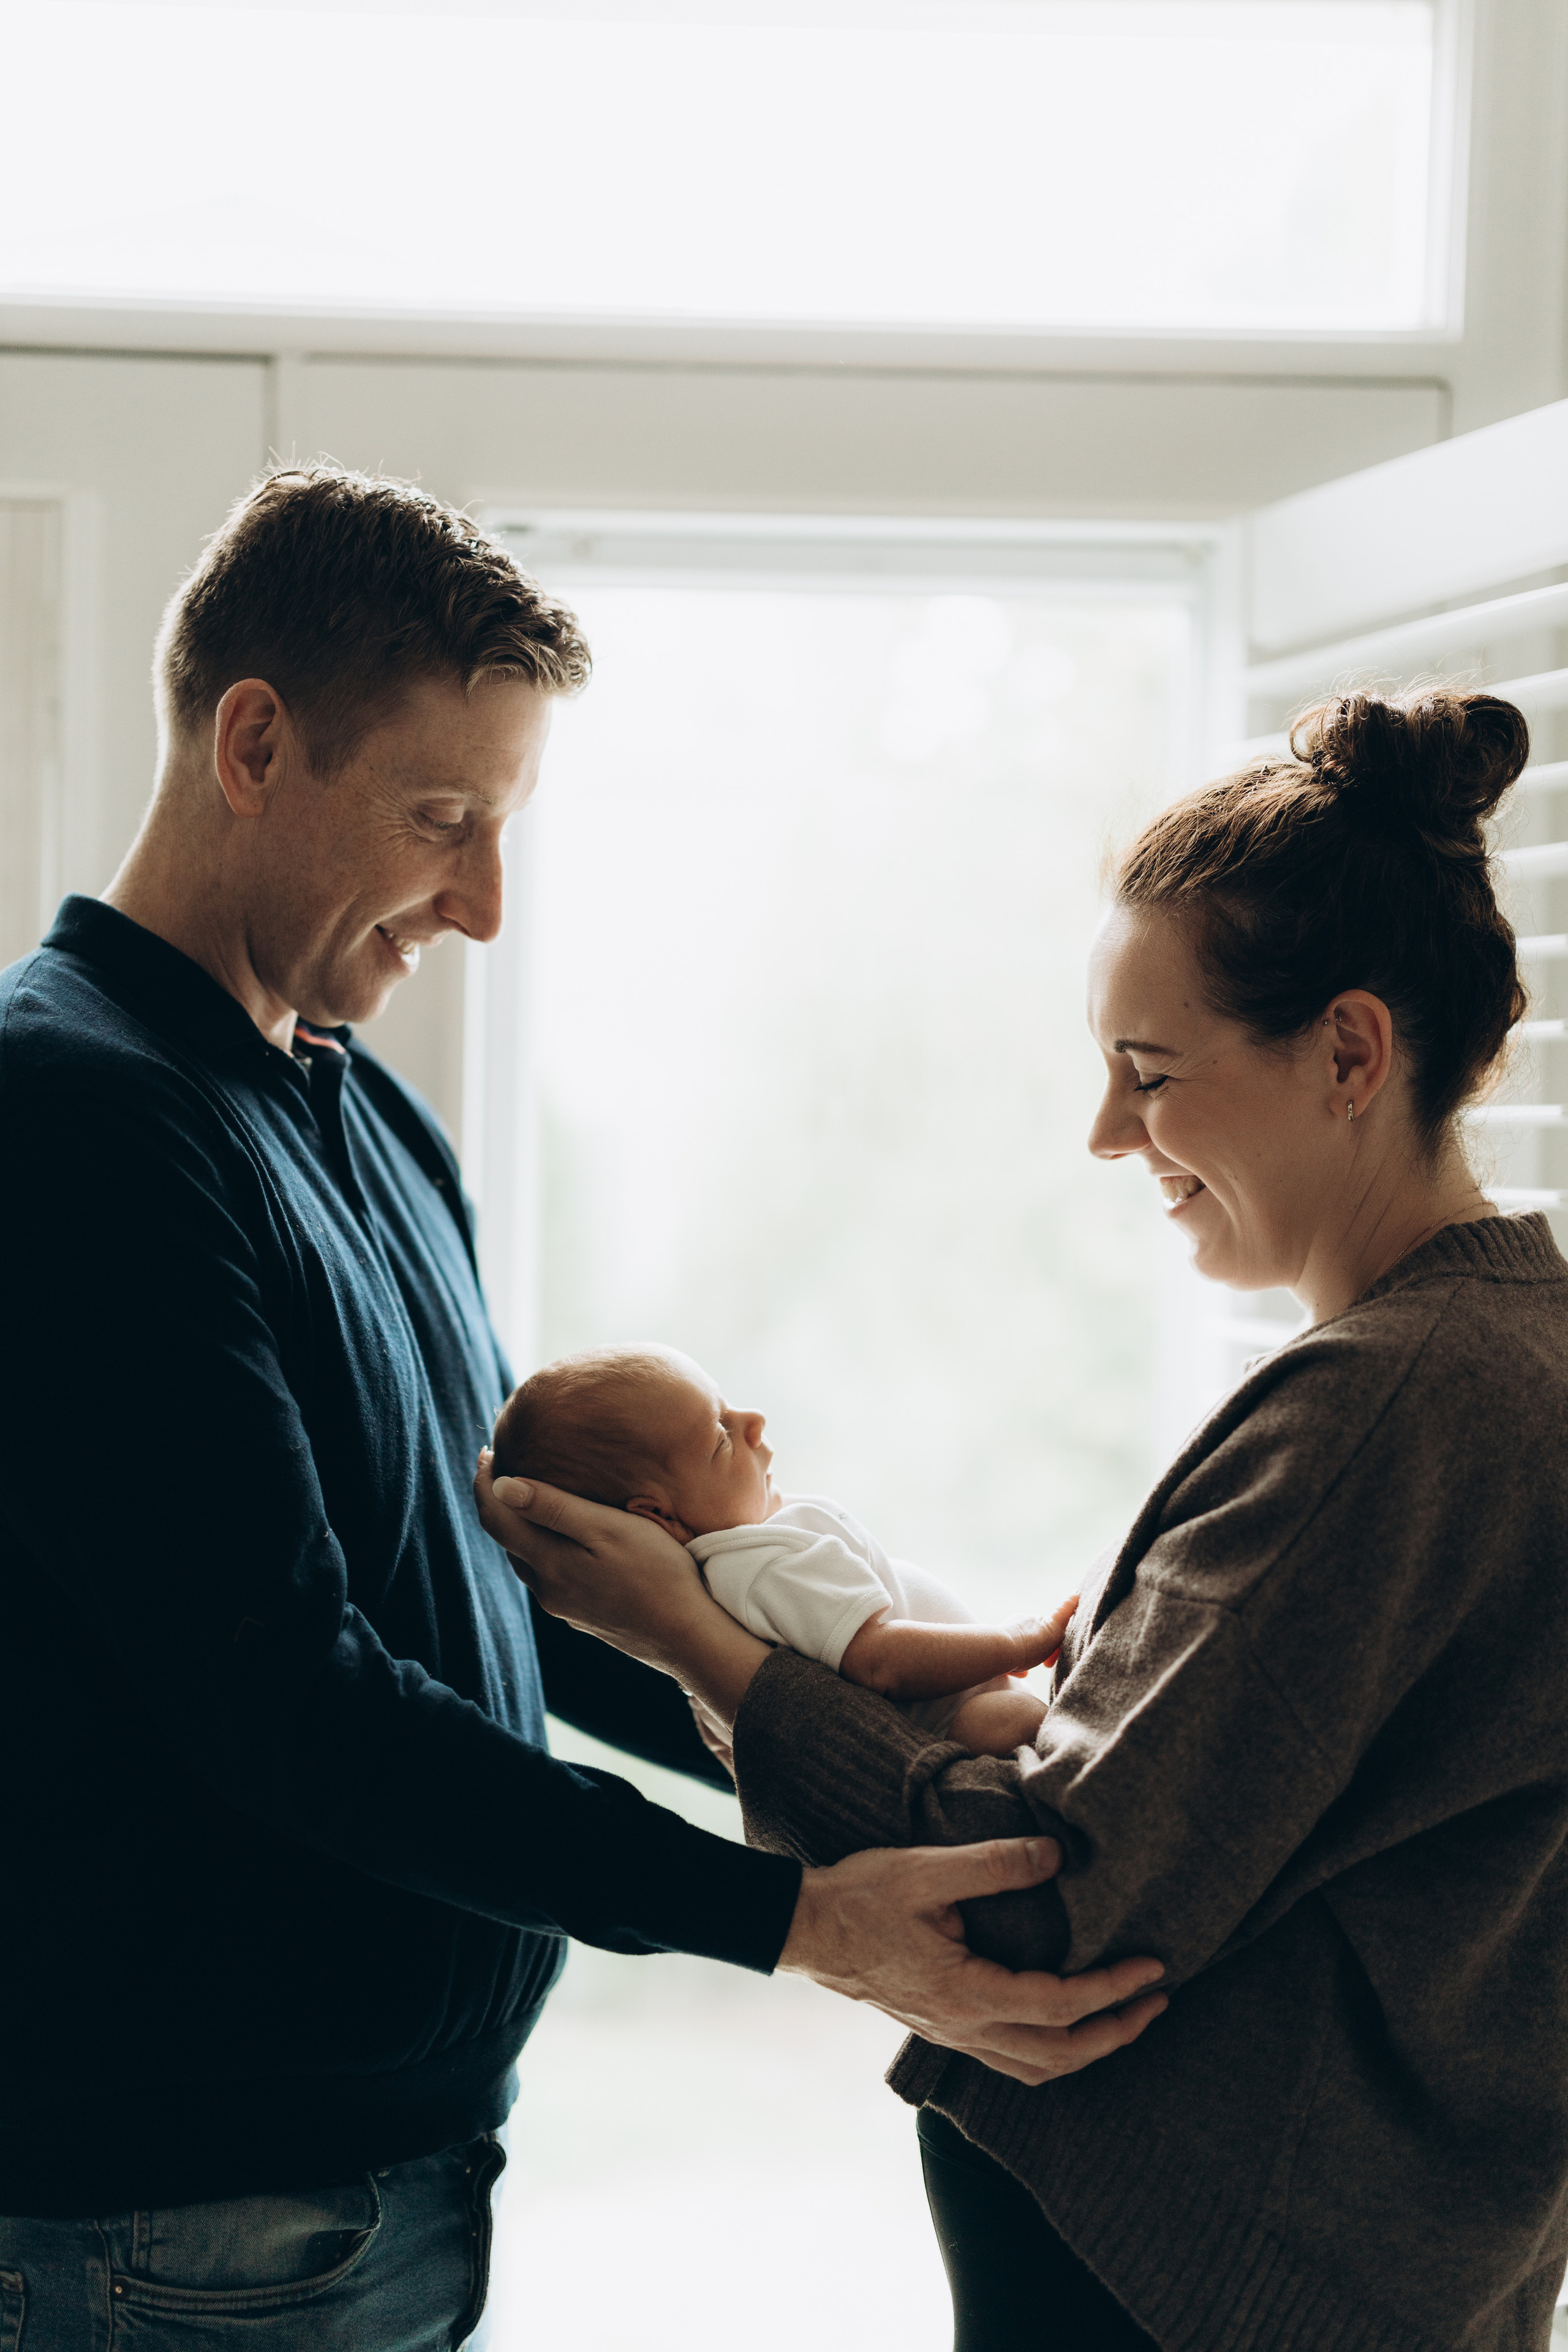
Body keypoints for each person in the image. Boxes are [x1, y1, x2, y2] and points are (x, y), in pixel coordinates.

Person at [0, 463, 1163, 2352]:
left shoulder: (364, 1115)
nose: (480, 900)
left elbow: (510, 1592)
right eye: (442, 817)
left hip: (384, 2179)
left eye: (505, 824)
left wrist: (875, 1770)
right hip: (180, 2223)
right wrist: (793, 1921)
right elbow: (286, 1689)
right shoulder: (70, 1121)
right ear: (254, 741)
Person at [481, 686, 1568, 2352]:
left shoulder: (1391, 1409)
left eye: (1149, 1071)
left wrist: (697, 1634)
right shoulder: (1503, 1356)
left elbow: (1042, 1903)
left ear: (1351, 1051)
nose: (1108, 1131)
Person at [492, 1342, 1074, 1753]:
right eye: (720, 1434)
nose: (752, 1420)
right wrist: (1013, 1642)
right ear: (658, 1516)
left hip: (953, 1703)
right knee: (1022, 1721)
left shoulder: (743, 1562)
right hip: (954, 1721)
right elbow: (880, 1661)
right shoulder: (756, 1567)